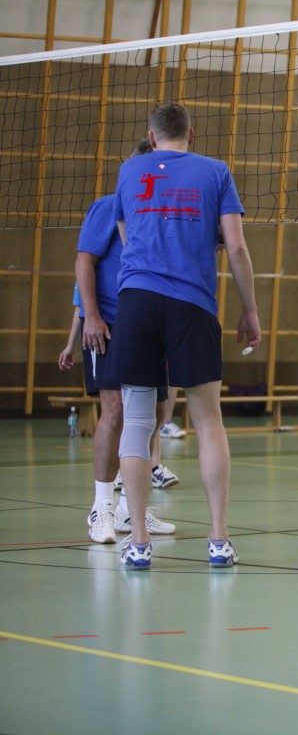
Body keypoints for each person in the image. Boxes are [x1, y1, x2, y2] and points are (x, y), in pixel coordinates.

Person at [110, 101, 261, 569]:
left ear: (151, 136)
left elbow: (126, 232)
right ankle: (218, 540)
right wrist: (250, 309)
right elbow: (235, 245)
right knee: (209, 420)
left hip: (137, 302)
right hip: (191, 305)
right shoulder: (216, 172)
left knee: (137, 422)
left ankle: (138, 542)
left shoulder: (130, 170)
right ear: (190, 135)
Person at [70, 141, 179, 546]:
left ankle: (131, 508)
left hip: (148, 323)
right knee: (114, 408)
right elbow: (84, 260)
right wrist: (92, 316)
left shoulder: (160, 211)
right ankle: (101, 506)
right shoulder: (108, 206)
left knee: (152, 413)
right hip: (110, 323)